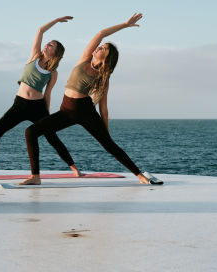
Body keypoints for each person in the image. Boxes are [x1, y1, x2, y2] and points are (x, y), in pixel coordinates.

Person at [20, 13, 162, 185]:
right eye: (100, 47)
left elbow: (104, 108)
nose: (99, 48)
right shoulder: (85, 59)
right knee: (31, 132)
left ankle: (139, 175)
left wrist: (106, 131)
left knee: (109, 145)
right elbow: (100, 33)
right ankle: (35, 177)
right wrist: (125, 24)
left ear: (106, 58)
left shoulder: (103, 78)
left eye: (103, 49)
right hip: (66, 111)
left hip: (85, 111)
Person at [0, 16, 81, 178]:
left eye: (51, 45)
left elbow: (48, 94)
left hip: (38, 108)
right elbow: (40, 31)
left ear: (56, 53)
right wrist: (56, 20)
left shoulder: (53, 73)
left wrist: (47, 114)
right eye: (48, 43)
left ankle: (74, 168)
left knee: (52, 137)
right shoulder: (34, 57)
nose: (47, 44)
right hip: (19, 105)